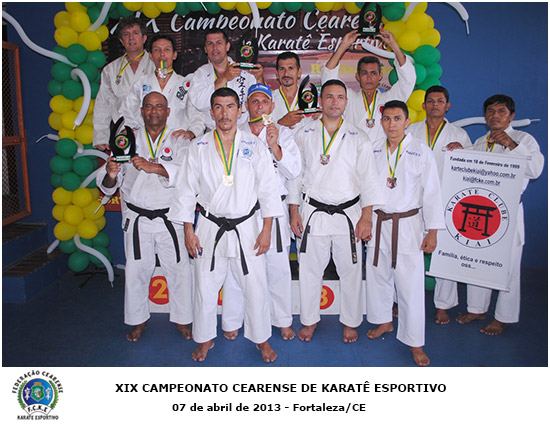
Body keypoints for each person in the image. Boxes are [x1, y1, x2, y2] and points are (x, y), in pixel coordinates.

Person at [168, 88, 284, 363]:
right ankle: (205, 337)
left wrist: (267, 229)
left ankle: (261, 339)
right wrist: (188, 230)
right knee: (205, 286)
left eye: (230, 106)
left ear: (239, 111)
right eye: (218, 107)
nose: (224, 113)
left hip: (247, 225)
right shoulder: (199, 147)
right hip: (210, 225)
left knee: (255, 286)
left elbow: (268, 189)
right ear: (211, 113)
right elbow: (185, 190)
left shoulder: (254, 145)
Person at [288, 79, 385, 343]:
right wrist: (294, 211)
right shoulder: (305, 133)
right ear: (320, 101)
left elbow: (369, 180)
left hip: (348, 214)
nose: (334, 102)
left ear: (346, 102)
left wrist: (366, 217)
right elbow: (295, 176)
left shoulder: (359, 137)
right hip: (313, 212)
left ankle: (351, 321)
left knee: (351, 271)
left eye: (340, 97)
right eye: (329, 96)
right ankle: (309, 320)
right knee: (309, 270)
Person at [97, 92, 193, 342]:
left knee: (180, 270)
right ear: (141, 111)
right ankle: (138, 320)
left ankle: (183, 319)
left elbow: (188, 174)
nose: (154, 111)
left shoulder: (179, 139)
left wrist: (155, 168)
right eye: (148, 107)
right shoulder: (127, 139)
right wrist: (111, 173)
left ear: (168, 112)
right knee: (136, 271)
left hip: (170, 218)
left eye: (159, 106)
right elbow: (110, 184)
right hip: (138, 218)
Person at [456, 94, 544, 335]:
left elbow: (535, 170)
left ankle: (503, 317)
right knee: (478, 260)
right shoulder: (481, 141)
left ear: (511, 116)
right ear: (485, 116)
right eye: (491, 111)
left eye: (501, 111)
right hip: (481, 209)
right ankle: (477, 308)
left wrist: (513, 146)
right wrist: (459, 153)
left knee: (508, 266)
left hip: (508, 210)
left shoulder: (524, 139)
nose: (495, 116)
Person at [365, 100, 445, 366]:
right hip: (378, 222)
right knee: (378, 277)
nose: (392, 124)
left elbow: (432, 194)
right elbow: (364, 188)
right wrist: (363, 220)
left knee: (410, 286)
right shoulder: (374, 149)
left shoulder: (421, 152)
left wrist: (432, 232)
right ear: (381, 122)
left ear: (407, 121)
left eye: (397, 118)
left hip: (408, 224)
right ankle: (384, 321)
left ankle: (415, 341)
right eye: (387, 119)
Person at [221, 83, 301, 341]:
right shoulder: (235, 132)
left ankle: (282, 320)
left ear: (272, 106)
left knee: (277, 268)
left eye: (264, 102)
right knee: (238, 266)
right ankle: (233, 319)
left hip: (274, 209)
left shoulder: (284, 133)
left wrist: (275, 146)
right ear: (246, 106)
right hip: (242, 211)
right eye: (254, 101)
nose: (259, 106)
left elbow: (294, 171)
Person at [407, 85, 473, 324]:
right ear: (423, 105)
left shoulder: (459, 135)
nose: (435, 104)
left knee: (444, 255)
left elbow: (470, 169)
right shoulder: (411, 130)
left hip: (446, 202)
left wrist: (464, 152)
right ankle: (402, 300)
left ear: (448, 106)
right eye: (431, 101)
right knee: (408, 254)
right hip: (413, 202)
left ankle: (443, 305)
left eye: (440, 101)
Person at [321, 28, 416, 142]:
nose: (369, 77)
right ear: (358, 76)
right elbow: (328, 79)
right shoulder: (348, 98)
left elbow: (408, 79)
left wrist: (394, 46)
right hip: (353, 150)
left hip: (381, 152)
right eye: (364, 73)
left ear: (380, 76)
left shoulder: (389, 99)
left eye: (373, 73)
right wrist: (344, 45)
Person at [120, 35, 204, 140]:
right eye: (157, 50)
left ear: (174, 55)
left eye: (167, 49)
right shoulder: (141, 83)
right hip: (146, 141)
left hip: (176, 140)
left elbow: (197, 115)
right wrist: (129, 129)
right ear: (150, 55)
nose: (162, 54)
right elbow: (127, 111)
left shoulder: (186, 84)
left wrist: (191, 133)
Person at [93, 16, 154, 151]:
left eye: (135, 33)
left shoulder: (156, 65)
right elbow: (103, 104)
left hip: (153, 131)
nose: (131, 38)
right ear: (121, 41)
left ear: (144, 38)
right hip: (123, 132)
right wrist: (101, 136)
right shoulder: (111, 69)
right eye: (126, 34)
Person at [188, 29, 263, 130]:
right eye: (210, 44)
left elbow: (260, 100)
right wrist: (224, 78)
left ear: (227, 46)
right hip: (212, 131)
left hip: (243, 130)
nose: (215, 48)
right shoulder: (201, 73)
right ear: (205, 49)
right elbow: (198, 103)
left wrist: (259, 79)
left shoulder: (244, 70)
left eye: (219, 43)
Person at [272, 51, 320, 130]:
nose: (286, 73)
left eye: (291, 68)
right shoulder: (269, 99)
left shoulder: (311, 97)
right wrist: (281, 123)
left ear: (299, 72)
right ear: (277, 74)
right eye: (282, 69)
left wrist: (319, 118)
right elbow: (261, 129)